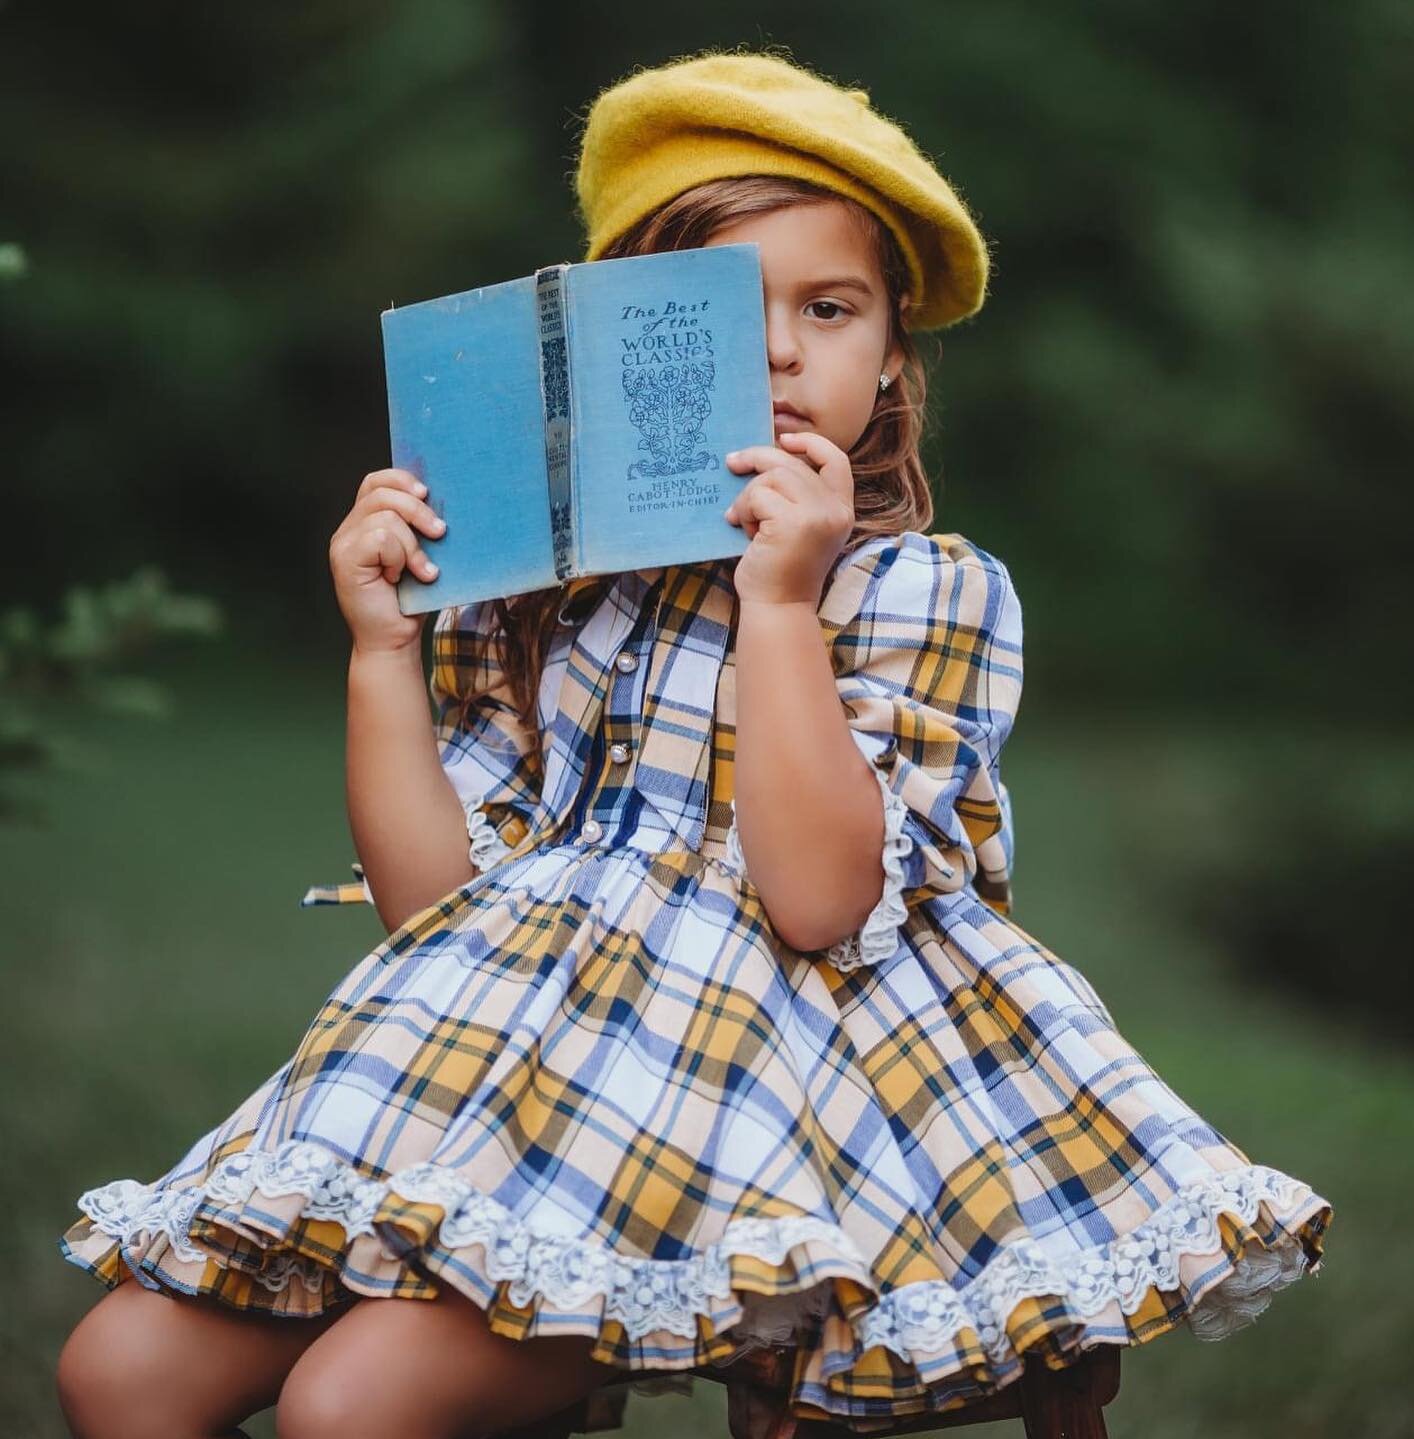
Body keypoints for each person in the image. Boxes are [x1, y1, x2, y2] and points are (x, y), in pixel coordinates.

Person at [54, 48, 1333, 1439]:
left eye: (830, 309)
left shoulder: (923, 589)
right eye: (720, 319)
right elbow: (435, 915)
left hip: (726, 1111)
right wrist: (382, 653)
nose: (782, 353)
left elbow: (820, 898)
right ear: (619, 354)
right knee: (114, 1375)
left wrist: (776, 601)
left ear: (892, 359)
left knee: (348, 1412)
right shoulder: (541, 593)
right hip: (489, 1086)